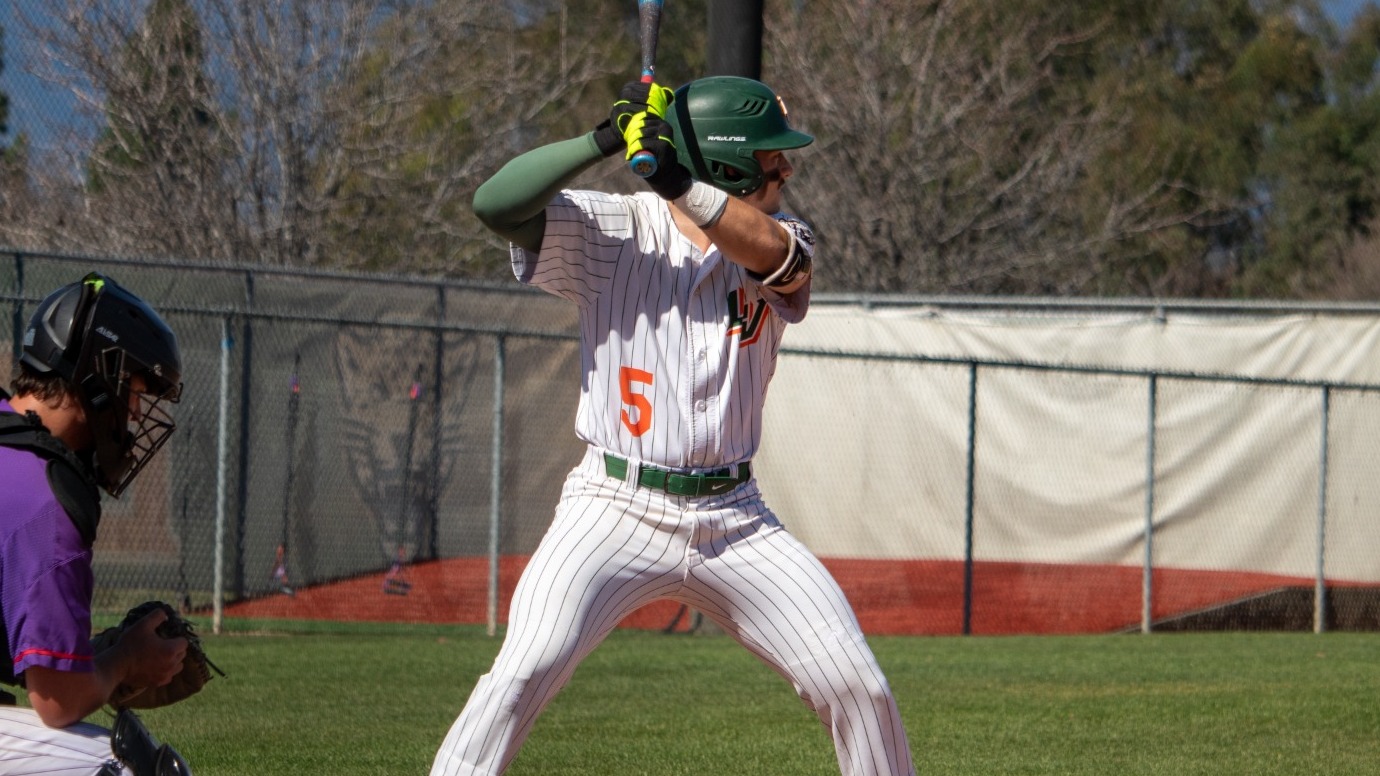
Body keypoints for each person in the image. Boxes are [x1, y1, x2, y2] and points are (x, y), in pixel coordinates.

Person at [431, 76, 915, 775]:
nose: (788, 167)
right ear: (728, 163)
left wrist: (677, 181)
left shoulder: (783, 235)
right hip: (612, 507)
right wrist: (603, 138)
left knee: (858, 685)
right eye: (772, 157)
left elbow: (776, 258)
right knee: (520, 674)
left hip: (735, 520)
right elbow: (495, 205)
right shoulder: (614, 227)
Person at [0, 273, 189, 775]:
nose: (133, 413)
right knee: (133, 768)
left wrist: (83, 655)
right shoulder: (47, 501)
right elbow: (56, 701)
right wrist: (125, 659)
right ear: (98, 377)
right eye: (133, 391)